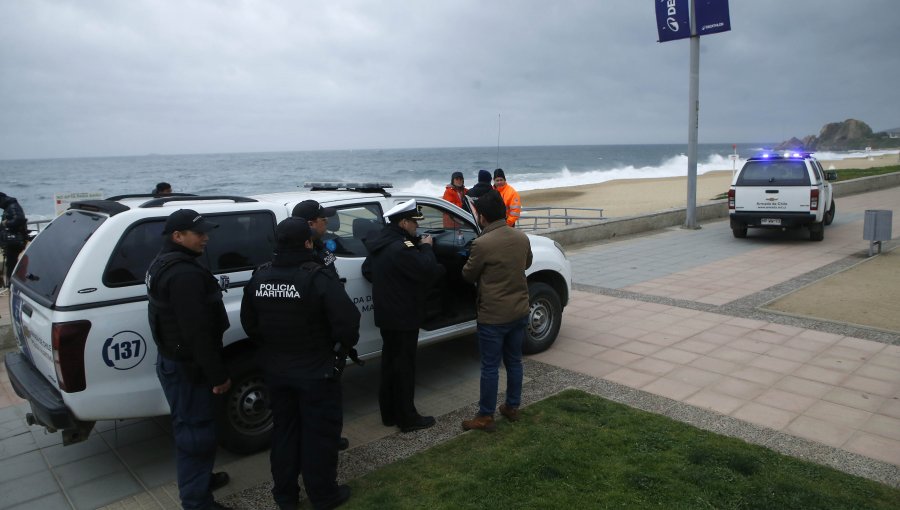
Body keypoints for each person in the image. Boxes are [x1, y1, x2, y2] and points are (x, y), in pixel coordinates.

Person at [241, 217, 359, 510]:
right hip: (315, 370)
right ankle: (323, 496)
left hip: (277, 369)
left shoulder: (260, 275)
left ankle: (285, 497)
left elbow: (250, 323)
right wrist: (336, 350)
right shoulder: (316, 276)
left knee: (284, 433)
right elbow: (347, 322)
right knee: (319, 435)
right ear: (307, 243)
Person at [146, 209, 232, 510]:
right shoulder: (183, 274)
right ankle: (197, 501)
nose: (206, 237)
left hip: (174, 360)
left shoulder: (162, 263)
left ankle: (200, 480)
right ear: (177, 235)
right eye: (199, 233)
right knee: (195, 433)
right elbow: (198, 332)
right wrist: (217, 375)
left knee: (191, 426)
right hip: (188, 365)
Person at [362, 199, 445, 432]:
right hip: (404, 315)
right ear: (404, 222)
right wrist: (427, 247)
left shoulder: (381, 242)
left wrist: (391, 282)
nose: (417, 228)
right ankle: (408, 418)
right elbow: (427, 269)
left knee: (390, 364)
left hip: (387, 314)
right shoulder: (401, 247)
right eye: (414, 223)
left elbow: (368, 270)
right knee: (405, 368)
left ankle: (389, 413)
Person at [461, 190, 532, 432]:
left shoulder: (481, 243)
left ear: (483, 217)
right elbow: (527, 263)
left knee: (490, 367)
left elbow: (468, 274)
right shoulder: (521, 237)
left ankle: (485, 416)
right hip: (519, 310)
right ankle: (512, 406)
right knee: (514, 361)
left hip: (493, 316)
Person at [291, 200, 339, 278]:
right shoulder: (303, 256)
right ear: (310, 224)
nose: (327, 222)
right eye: (324, 219)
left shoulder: (317, 245)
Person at [0, 192, 28, 286]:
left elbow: (19, 219)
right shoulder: (9, 206)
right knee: (11, 263)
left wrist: (6, 223)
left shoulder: (12, 206)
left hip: (14, 241)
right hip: (13, 241)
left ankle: (12, 284)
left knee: (11, 263)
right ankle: (12, 283)